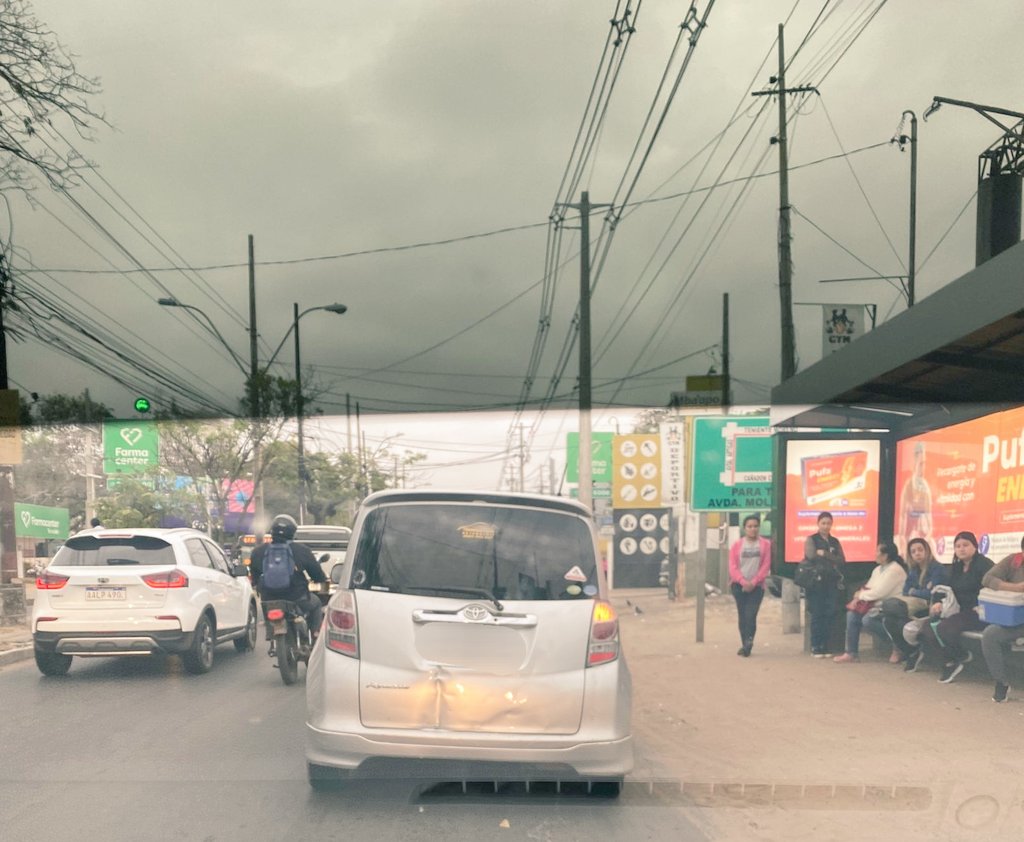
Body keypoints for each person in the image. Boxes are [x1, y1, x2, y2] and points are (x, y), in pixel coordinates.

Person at [917, 530, 993, 684]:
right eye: (958, 546)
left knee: (945, 627)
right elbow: (944, 588)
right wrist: (938, 602)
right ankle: (956, 657)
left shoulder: (985, 565)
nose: (961, 549)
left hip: (979, 611)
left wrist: (981, 605)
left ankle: (953, 661)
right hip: (957, 610)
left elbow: (993, 589)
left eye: (965, 545)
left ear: (975, 546)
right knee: (927, 627)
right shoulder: (956, 567)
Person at [249, 514, 328, 637]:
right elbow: (318, 575)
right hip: (297, 597)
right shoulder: (301, 550)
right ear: (292, 532)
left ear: (272, 530)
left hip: (269, 599)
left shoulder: (258, 551)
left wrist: (257, 584)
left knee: (267, 610)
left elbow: (254, 576)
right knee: (317, 604)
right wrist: (320, 579)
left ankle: (271, 634)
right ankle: (315, 633)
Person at [833, 541, 907, 663]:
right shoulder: (878, 569)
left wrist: (861, 595)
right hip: (874, 605)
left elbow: (879, 593)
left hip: (890, 607)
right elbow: (869, 587)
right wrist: (858, 597)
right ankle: (851, 653)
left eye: (878, 551)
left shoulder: (895, 570)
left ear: (886, 555)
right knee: (852, 615)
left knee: (867, 620)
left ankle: (898, 644)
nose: (875, 554)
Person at [886, 538, 948, 667]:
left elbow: (933, 594)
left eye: (920, 550)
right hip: (914, 606)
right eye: (913, 551)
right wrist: (919, 591)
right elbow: (905, 591)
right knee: (889, 619)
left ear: (927, 550)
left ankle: (915, 647)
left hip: (931, 606)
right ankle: (911, 650)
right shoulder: (913, 570)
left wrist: (914, 591)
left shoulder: (937, 568)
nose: (917, 553)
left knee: (892, 611)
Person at [980, 536, 1024, 702]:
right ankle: (1001, 682)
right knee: (990, 634)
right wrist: (1015, 588)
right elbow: (987, 579)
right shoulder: (1014, 560)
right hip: (1015, 619)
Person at [729, 514, 772, 657]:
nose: (752, 529)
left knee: (751, 614)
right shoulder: (737, 545)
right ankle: (744, 644)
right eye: (749, 526)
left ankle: (749, 642)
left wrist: (754, 582)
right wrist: (742, 581)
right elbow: (732, 566)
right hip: (738, 586)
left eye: (755, 526)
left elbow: (766, 565)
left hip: (757, 587)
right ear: (744, 528)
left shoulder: (765, 544)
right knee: (742, 615)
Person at [803, 511, 846, 657]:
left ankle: (826, 646)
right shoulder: (811, 539)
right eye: (823, 523)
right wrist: (825, 556)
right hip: (816, 583)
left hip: (832, 582)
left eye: (828, 523)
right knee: (817, 614)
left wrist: (826, 554)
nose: (826, 526)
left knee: (830, 613)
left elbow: (841, 560)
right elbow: (811, 556)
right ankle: (816, 646)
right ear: (818, 524)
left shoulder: (835, 541)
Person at [899, 442, 933, 552]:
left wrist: (928, 533)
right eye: (921, 464)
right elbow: (903, 515)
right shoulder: (909, 486)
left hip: (924, 536)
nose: (923, 467)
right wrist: (902, 537)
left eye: (925, 463)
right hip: (910, 536)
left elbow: (928, 513)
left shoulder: (926, 486)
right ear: (915, 462)